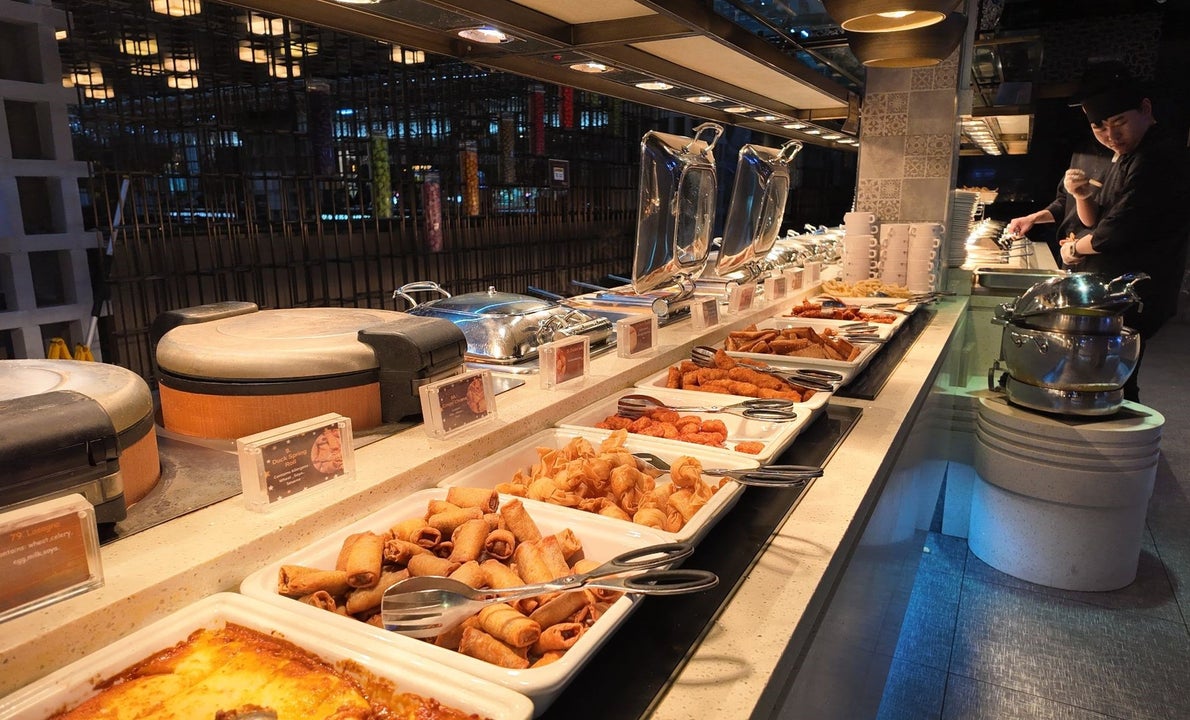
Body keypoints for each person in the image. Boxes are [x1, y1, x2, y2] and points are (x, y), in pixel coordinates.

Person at [1058, 65, 1190, 402]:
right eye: (1100, 127)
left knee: (1115, 377)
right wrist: (1082, 197)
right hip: (1121, 286)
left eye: (1119, 123)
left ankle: (1122, 448)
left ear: (1145, 110)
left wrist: (1074, 250)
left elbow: (1115, 231)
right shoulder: (1126, 155)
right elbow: (1099, 219)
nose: (1111, 136)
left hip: (1139, 288)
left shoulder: (1159, 157)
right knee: (1111, 373)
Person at [1006, 144, 1111, 265]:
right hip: (1069, 251)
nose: (1110, 135)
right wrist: (1032, 219)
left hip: (1096, 255)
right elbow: (1064, 201)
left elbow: (1106, 225)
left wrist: (1077, 247)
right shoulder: (1083, 151)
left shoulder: (1123, 160)